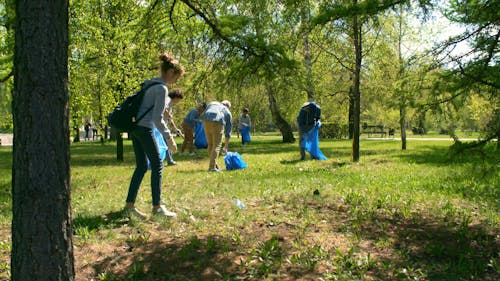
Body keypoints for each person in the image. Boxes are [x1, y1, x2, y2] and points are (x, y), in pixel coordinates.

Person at [124, 52, 184, 219]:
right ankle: (157, 208)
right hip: (144, 129)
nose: (175, 82)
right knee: (157, 164)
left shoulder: (150, 84)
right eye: (176, 77)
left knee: (142, 166)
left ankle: (129, 205)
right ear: (171, 72)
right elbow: (158, 118)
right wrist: (169, 138)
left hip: (135, 128)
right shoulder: (161, 88)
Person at [200, 100, 232, 172]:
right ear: (228, 106)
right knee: (217, 145)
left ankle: (215, 165)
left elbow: (204, 112)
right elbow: (228, 129)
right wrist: (226, 145)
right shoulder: (226, 110)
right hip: (218, 122)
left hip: (206, 121)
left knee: (210, 144)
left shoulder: (212, 103)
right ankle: (212, 167)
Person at [163, 89, 184, 166]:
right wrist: (168, 115)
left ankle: (170, 160)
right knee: (167, 143)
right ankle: (170, 161)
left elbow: (169, 118)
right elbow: (163, 109)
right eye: (179, 99)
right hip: (160, 126)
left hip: (163, 125)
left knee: (166, 143)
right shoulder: (168, 100)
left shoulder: (170, 103)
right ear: (176, 97)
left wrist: (176, 128)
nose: (179, 101)